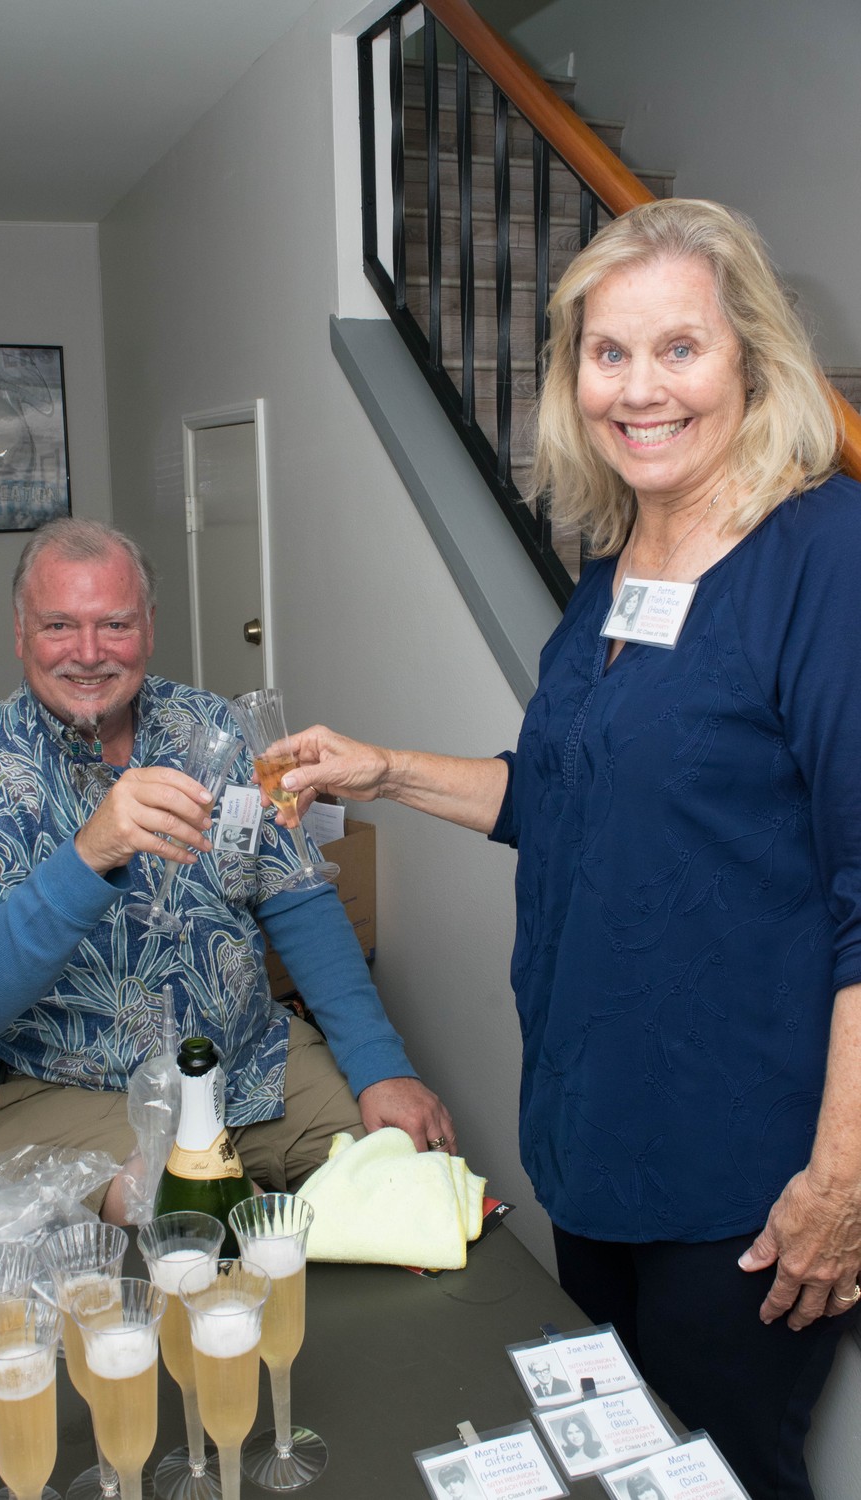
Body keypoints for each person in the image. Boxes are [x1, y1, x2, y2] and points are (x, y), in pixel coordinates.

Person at [266, 201, 861, 1500]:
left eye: (679, 348)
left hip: (743, 1177)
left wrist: (842, 1180)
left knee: (722, 1475)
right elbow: (561, 793)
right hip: (592, 1137)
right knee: (617, 1470)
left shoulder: (824, 555)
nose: (640, 389)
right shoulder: (615, 562)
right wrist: (384, 771)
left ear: (751, 358)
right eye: (608, 353)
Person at [0, 519, 454, 1222]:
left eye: (114, 624)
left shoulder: (214, 729)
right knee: (210, 1221)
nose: (88, 653)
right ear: (21, 633)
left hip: (250, 1063)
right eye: (59, 626)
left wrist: (383, 1065)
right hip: (72, 1092)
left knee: (414, 1174)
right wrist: (89, 856)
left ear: (149, 627)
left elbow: (299, 902)